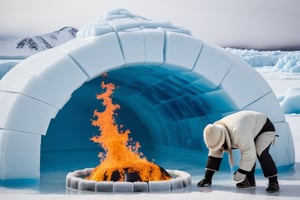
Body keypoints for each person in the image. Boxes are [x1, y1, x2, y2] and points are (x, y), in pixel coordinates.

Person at [197, 110, 280, 193]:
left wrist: (242, 171)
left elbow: (249, 153)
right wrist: (207, 177)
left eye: (220, 145)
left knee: (261, 152)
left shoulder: (238, 132)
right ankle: (249, 181)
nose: (221, 149)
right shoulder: (215, 131)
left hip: (264, 128)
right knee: (249, 150)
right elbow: (214, 154)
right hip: (249, 127)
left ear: (224, 139)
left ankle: (273, 181)